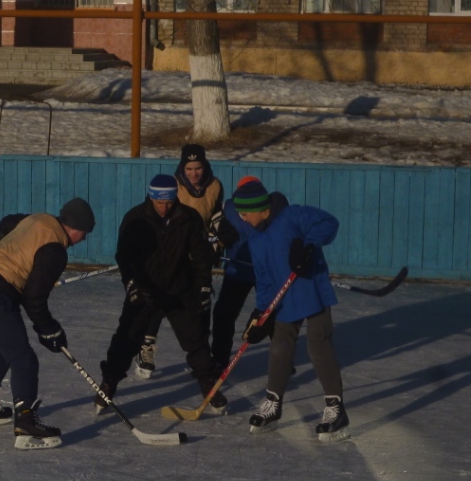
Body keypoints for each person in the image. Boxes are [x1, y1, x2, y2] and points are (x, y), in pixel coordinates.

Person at [0, 198, 96, 450]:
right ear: (75, 226)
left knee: (2, 351)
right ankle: (26, 424)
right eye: (85, 233)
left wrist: (7, 254)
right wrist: (50, 330)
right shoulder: (55, 250)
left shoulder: (38, 219)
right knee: (24, 357)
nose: (84, 239)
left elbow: (6, 224)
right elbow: (34, 298)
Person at [96, 174, 228, 415]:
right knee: (127, 338)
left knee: (195, 339)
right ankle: (109, 383)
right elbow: (125, 257)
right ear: (151, 197)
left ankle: (209, 384)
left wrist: (204, 286)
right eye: (159, 202)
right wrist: (132, 284)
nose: (164, 208)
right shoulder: (136, 218)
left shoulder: (188, 218)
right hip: (145, 290)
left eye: (168, 202)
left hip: (179, 289)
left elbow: (201, 257)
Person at [233, 177, 349, 440]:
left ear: (259, 207)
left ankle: (335, 408)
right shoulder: (255, 239)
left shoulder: (293, 215)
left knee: (317, 345)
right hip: (283, 299)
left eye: (244, 213)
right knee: (279, 348)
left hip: (312, 291)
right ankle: (273, 404)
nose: (242, 218)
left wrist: (308, 245)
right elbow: (263, 279)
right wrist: (260, 315)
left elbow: (329, 222)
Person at [135, 143, 229, 380]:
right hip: (171, 255)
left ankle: (200, 356)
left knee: (200, 304)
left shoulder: (215, 185)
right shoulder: (173, 186)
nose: (194, 173)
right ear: (182, 168)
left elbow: (216, 218)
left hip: (197, 257)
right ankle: (146, 349)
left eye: (198, 168)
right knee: (158, 300)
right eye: (189, 168)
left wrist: (217, 243)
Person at [210, 177, 289, 366]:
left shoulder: (275, 207)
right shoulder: (228, 209)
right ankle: (219, 360)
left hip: (269, 271)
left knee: (274, 315)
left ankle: (283, 359)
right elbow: (211, 235)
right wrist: (216, 244)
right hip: (240, 269)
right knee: (224, 314)